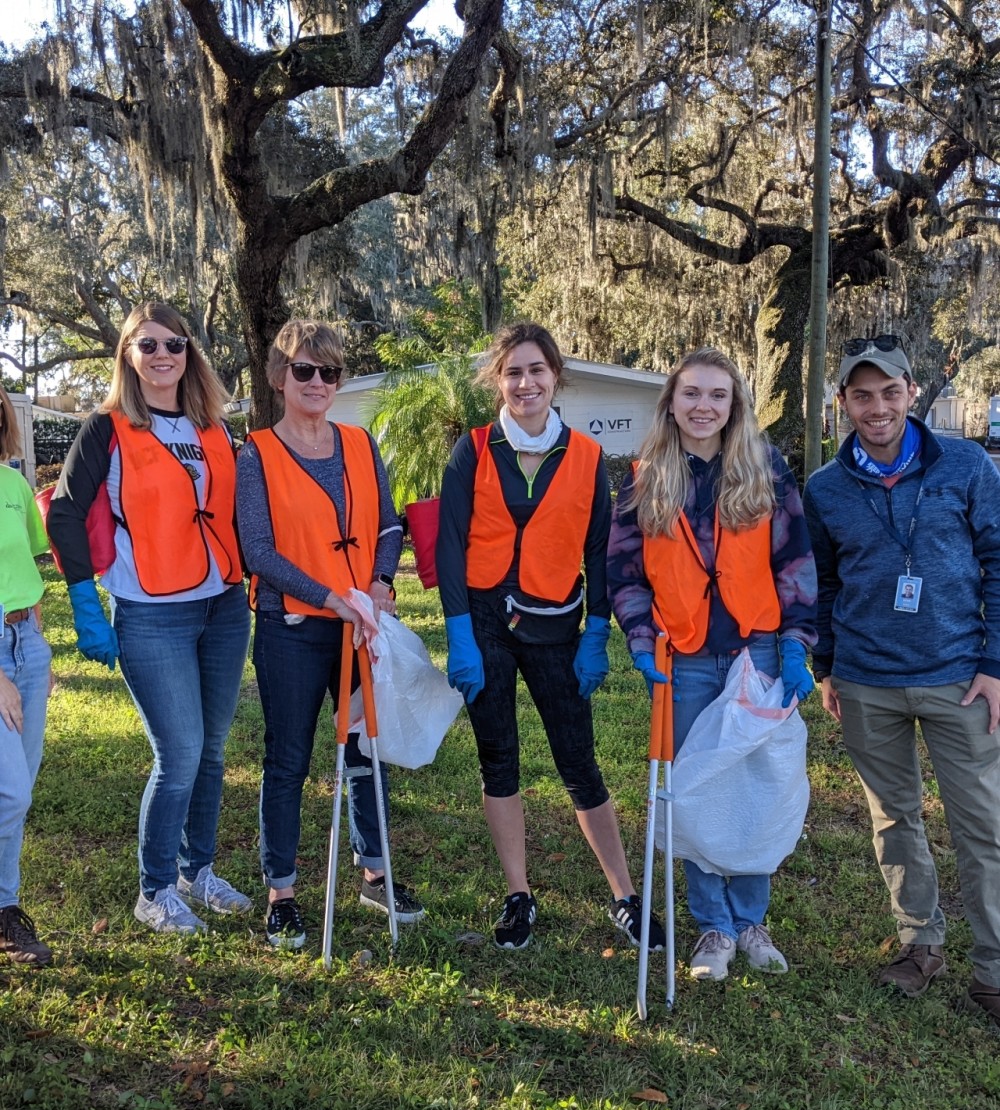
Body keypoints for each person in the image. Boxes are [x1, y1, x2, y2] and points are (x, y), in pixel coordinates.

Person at [436, 321, 666, 952]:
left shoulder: (589, 458)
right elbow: (450, 546)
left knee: (578, 761)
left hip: (558, 624)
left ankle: (624, 895)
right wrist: (458, 632)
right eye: (513, 371)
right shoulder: (474, 449)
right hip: (483, 621)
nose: (526, 382)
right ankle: (518, 894)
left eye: (536, 369)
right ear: (498, 381)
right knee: (499, 757)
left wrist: (597, 632)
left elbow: (602, 552)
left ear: (555, 376)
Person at [803, 334, 1000, 1027]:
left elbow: (999, 561)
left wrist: (994, 664)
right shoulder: (824, 489)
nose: (877, 406)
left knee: (983, 826)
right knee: (894, 819)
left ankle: (994, 970)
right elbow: (823, 585)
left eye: (890, 392)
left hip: (959, 678)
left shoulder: (967, 465)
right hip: (866, 679)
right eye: (862, 395)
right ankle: (920, 942)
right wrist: (826, 666)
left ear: (912, 393)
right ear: (844, 403)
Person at [608, 347, 817, 981]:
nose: (704, 406)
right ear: (671, 401)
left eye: (717, 395)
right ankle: (713, 928)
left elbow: (795, 560)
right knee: (695, 788)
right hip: (684, 653)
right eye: (691, 393)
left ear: (734, 405)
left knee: (754, 784)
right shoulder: (644, 477)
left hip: (757, 648)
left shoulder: (766, 469)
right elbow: (624, 572)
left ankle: (751, 919)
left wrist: (796, 640)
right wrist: (641, 639)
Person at [47, 301, 252, 936]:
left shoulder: (212, 426)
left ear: (190, 354)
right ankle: (155, 888)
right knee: (180, 753)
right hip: (150, 612)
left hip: (222, 605)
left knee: (213, 752)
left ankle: (198, 871)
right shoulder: (107, 427)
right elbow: (63, 513)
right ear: (129, 357)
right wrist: (86, 604)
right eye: (148, 345)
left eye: (175, 344)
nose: (163, 355)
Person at [236, 318, 424, 951]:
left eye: (330, 372)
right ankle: (282, 894)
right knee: (287, 760)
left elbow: (391, 525)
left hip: (360, 630)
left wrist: (379, 585)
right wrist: (327, 599)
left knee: (365, 751)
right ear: (279, 376)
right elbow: (257, 550)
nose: (317, 382)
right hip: (292, 631)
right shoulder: (256, 452)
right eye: (304, 370)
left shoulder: (360, 445)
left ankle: (375, 873)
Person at [0, 388, 53, 965]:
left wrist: (36, 648)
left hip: (26, 643)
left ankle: (6, 908)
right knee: (8, 792)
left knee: (21, 790)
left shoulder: (12, 485)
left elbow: (28, 565)